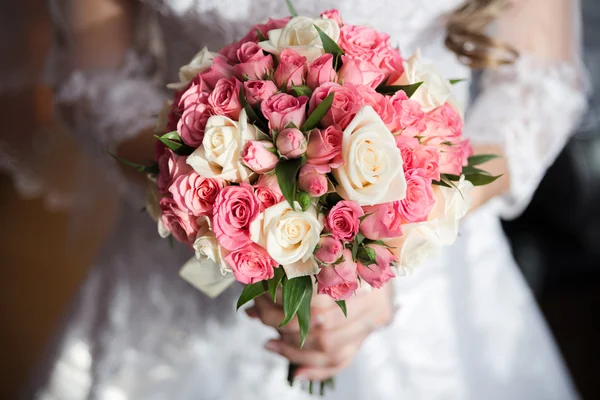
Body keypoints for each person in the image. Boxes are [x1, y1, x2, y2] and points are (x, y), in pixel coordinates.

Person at [24, 0, 586, 399]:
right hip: (186, 257)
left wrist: (386, 245)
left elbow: (539, 94)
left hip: (435, 264)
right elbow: (95, 82)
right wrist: (219, 210)